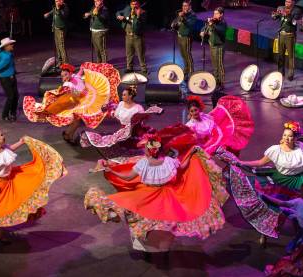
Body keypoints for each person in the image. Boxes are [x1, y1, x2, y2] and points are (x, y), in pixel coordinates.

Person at [85, 134, 228, 252]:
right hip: (168, 195)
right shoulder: (169, 161)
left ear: (149, 151)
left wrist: (112, 171)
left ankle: (154, 245)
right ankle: (158, 246)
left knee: (137, 211)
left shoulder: (143, 163)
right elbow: (182, 167)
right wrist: (191, 154)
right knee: (164, 220)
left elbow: (128, 177)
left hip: (149, 194)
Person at [23, 62, 120, 143]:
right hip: (78, 102)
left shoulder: (74, 76)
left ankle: (68, 135)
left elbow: (77, 76)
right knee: (78, 120)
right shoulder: (67, 85)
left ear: (70, 73)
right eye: (62, 76)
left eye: (65, 75)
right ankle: (68, 135)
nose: (64, 78)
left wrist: (82, 70)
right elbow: (76, 94)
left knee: (77, 122)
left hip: (85, 97)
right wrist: (83, 92)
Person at [80, 86, 156, 152]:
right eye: (122, 95)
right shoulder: (121, 104)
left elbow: (142, 121)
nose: (122, 96)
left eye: (124, 95)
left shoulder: (138, 108)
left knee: (133, 148)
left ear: (130, 96)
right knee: (107, 142)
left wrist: (134, 126)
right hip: (122, 131)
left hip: (135, 132)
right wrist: (107, 108)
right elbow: (115, 113)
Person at [185, 95, 254, 155]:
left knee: (232, 144)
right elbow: (193, 140)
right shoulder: (191, 125)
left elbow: (213, 121)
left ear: (199, 109)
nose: (194, 113)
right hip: (205, 146)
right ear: (189, 112)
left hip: (216, 137)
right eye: (192, 111)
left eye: (195, 110)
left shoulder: (204, 116)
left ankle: (232, 165)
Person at [272, 0, 302, 81]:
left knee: (290, 56)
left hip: (290, 36)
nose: (287, 3)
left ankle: (290, 74)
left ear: (293, 2)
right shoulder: (281, 8)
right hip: (281, 34)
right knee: (280, 55)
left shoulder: (296, 10)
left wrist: (288, 15)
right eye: (286, 1)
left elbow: (293, 22)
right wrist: (274, 15)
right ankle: (280, 72)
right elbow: (275, 18)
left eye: (289, 2)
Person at [116, 0, 148, 74]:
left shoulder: (143, 12)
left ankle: (143, 68)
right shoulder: (127, 9)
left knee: (140, 53)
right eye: (132, 4)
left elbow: (140, 25)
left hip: (137, 37)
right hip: (128, 36)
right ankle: (129, 68)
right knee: (129, 53)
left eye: (135, 4)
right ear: (130, 5)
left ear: (138, 4)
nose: (134, 5)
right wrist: (119, 16)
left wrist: (138, 16)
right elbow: (118, 12)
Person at [200, 7, 226, 95]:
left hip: (219, 47)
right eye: (214, 13)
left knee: (220, 66)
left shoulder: (222, 23)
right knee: (215, 65)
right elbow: (205, 27)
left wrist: (212, 25)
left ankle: (221, 83)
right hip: (212, 46)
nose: (214, 15)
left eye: (216, 13)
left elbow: (220, 31)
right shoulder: (212, 22)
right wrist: (202, 31)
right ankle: (216, 80)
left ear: (221, 14)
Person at [171, 0, 197, 80]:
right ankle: (186, 70)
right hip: (180, 36)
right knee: (183, 55)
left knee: (188, 55)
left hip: (187, 38)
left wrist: (182, 17)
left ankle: (191, 72)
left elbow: (189, 24)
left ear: (190, 7)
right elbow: (175, 23)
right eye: (183, 6)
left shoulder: (192, 15)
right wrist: (174, 24)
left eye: (186, 6)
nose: (184, 7)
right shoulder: (182, 14)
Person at [0, 38, 19, 121]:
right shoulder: (7, 57)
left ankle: (13, 113)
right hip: (6, 79)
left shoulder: (5, 54)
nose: (12, 45)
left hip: (11, 77)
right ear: (6, 46)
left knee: (15, 96)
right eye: (10, 44)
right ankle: (5, 114)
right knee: (11, 97)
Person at [44, 0, 70, 67]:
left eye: (58, 1)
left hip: (61, 29)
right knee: (57, 46)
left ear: (62, 1)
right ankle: (60, 61)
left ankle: (65, 63)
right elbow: (53, 11)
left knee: (61, 46)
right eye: (56, 1)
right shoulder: (55, 7)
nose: (56, 2)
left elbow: (63, 16)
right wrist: (48, 14)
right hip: (56, 29)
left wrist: (58, 8)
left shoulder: (65, 7)